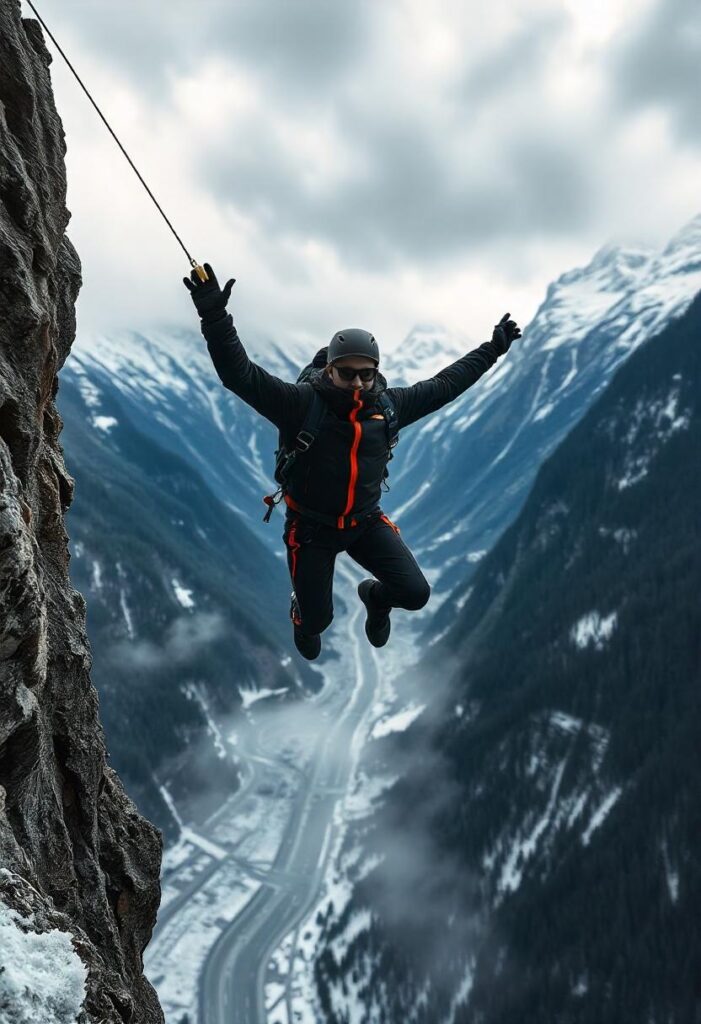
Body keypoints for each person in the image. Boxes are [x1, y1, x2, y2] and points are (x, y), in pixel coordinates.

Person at [184, 264, 521, 661]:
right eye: (347, 373)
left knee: (415, 593)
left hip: (364, 522)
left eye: (366, 373)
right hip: (311, 528)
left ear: (376, 372)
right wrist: (213, 313)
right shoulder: (301, 404)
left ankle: (375, 598)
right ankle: (303, 615)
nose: (358, 382)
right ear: (329, 369)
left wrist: (492, 350)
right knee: (316, 622)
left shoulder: (388, 407)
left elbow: (445, 385)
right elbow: (239, 375)